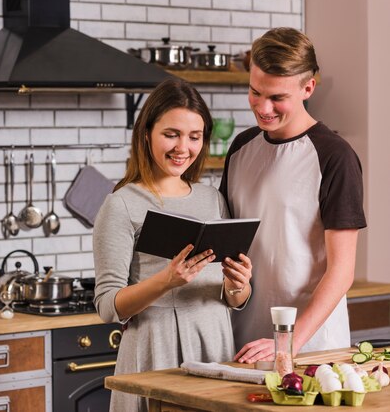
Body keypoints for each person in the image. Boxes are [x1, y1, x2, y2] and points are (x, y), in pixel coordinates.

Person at [93, 78, 253, 412]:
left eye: (194, 137)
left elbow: (231, 297)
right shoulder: (121, 204)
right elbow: (109, 306)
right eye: (171, 134)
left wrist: (239, 287)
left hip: (215, 345)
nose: (184, 147)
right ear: (147, 132)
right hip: (156, 347)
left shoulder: (214, 199)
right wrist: (167, 280)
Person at [218, 27, 367, 363]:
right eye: (255, 92)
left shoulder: (334, 156)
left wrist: (289, 342)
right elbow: (229, 243)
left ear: (308, 88)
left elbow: (342, 271)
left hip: (312, 348)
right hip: (245, 341)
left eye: (277, 98)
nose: (263, 107)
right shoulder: (241, 147)